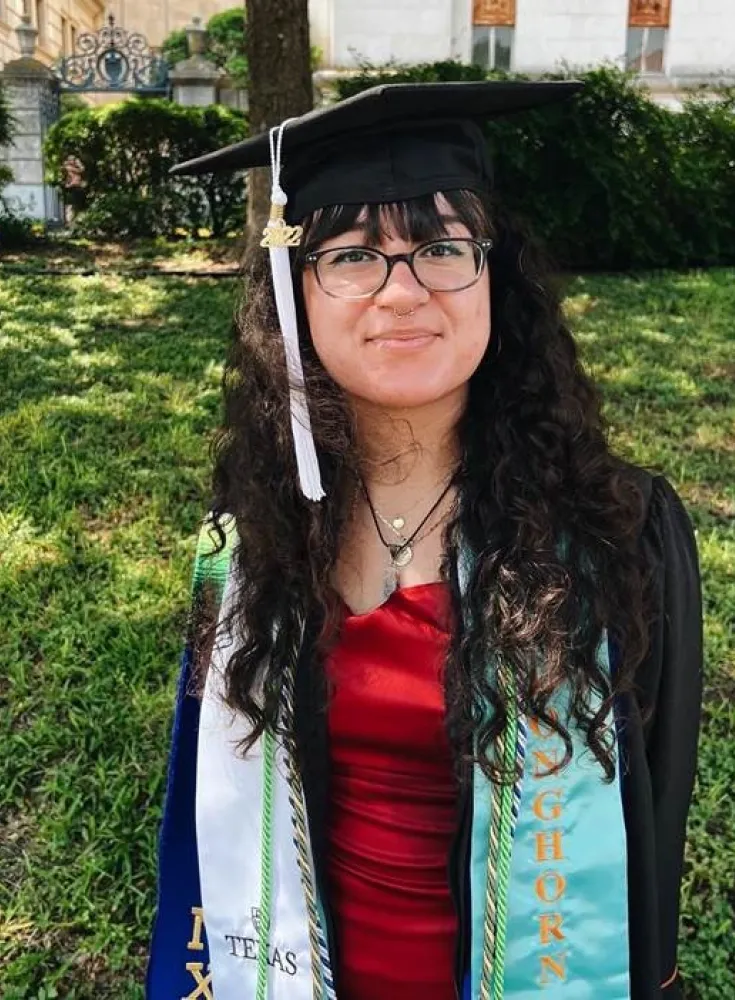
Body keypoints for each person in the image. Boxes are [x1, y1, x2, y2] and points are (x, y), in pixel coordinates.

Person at [147, 82, 703, 1000]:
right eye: (354, 255)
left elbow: (651, 825)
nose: (402, 291)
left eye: (442, 248)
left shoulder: (617, 531)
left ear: (494, 278)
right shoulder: (258, 538)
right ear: (294, 294)